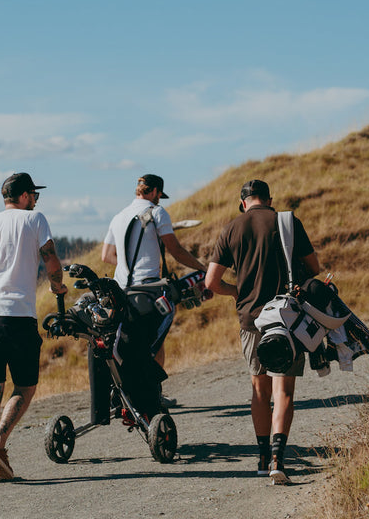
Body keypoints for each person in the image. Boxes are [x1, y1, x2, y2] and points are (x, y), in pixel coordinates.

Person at [205, 180, 320, 484]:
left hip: (250, 320)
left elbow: (211, 282)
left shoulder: (231, 228)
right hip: (286, 319)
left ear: (242, 202)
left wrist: (236, 292)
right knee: (284, 391)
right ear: (270, 200)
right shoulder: (287, 221)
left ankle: (260, 456)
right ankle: (278, 460)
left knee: (259, 390)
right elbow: (315, 266)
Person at [0, 172, 68, 483]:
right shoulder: (34, 220)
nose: (36, 199)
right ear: (23, 196)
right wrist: (57, 286)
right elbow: (50, 260)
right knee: (25, 386)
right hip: (17, 315)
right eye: (34, 194)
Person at [101, 174, 207, 408]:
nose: (160, 200)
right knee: (153, 342)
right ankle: (151, 394)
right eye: (160, 195)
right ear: (156, 191)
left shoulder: (118, 216)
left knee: (129, 341)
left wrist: (129, 264)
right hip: (148, 291)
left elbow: (106, 256)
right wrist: (201, 267)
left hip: (121, 291)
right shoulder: (157, 213)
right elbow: (175, 249)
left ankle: (124, 394)